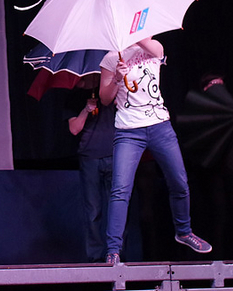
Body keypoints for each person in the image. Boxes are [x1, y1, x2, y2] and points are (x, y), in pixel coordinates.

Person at [100, 37, 212, 264]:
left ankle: (184, 232)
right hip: (128, 131)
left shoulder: (155, 48)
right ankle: (113, 250)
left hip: (160, 126)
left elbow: (154, 47)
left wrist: (137, 33)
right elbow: (105, 99)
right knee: (120, 190)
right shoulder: (111, 58)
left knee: (179, 181)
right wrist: (117, 79)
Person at [65, 75, 115, 263]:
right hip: (90, 157)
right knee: (93, 210)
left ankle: (117, 252)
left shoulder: (109, 92)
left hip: (114, 154)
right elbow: (74, 129)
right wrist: (86, 110)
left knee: (117, 208)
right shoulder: (73, 97)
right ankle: (95, 256)